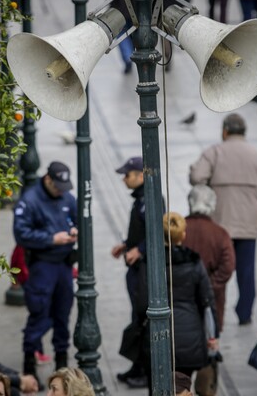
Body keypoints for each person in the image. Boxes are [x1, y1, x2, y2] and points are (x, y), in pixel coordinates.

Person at [190, 113, 257, 325]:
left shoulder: (214, 152)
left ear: (225, 131)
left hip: (220, 224)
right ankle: (245, 312)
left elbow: (196, 177)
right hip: (248, 224)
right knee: (246, 271)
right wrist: (256, 201)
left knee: (217, 268)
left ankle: (214, 309)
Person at [137, 213, 220, 394]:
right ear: (182, 235)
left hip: (157, 337)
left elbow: (141, 302)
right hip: (190, 336)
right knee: (183, 387)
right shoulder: (194, 261)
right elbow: (207, 300)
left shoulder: (150, 262)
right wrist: (213, 335)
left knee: (157, 388)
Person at [13, 161, 78, 380]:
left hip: (64, 266)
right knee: (39, 314)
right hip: (42, 264)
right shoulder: (30, 200)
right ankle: (29, 367)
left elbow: (79, 220)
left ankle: (62, 366)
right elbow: (21, 234)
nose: (61, 190)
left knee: (63, 314)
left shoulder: (67, 198)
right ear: (47, 179)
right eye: (58, 185)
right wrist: (51, 239)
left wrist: (76, 231)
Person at [110, 156, 148, 388]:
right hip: (136, 267)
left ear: (141, 175)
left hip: (142, 271)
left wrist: (139, 250)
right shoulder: (140, 198)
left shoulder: (150, 199)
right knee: (136, 318)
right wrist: (127, 244)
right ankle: (137, 365)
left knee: (142, 319)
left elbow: (155, 230)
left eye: (128, 175)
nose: (124, 179)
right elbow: (141, 230)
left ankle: (144, 369)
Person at [183, 184, 235, 332]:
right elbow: (228, 266)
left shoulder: (178, 230)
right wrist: (210, 285)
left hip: (182, 297)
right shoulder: (220, 233)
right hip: (211, 298)